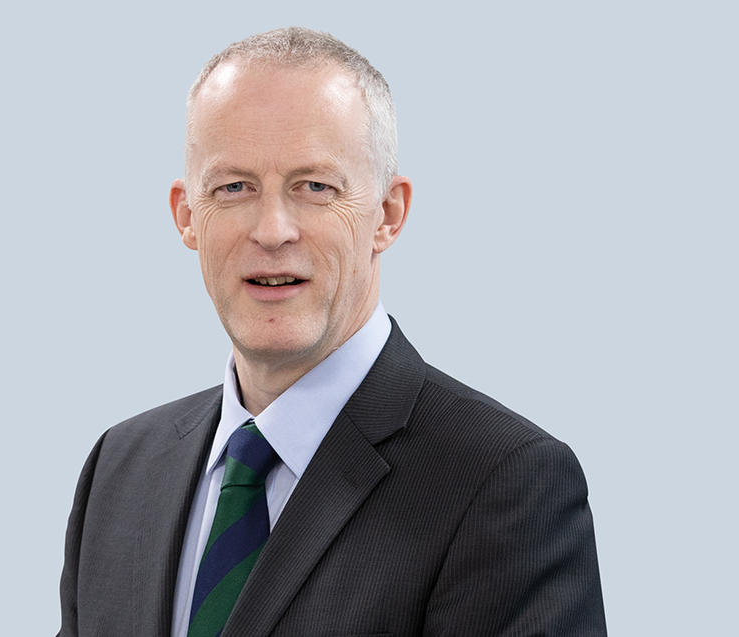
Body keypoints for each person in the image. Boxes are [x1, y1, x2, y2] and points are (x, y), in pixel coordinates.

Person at [57, 27, 607, 637]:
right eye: (233, 187)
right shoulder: (120, 468)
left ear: (388, 215)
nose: (272, 229)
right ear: (188, 217)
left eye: (315, 187)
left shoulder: (504, 484)